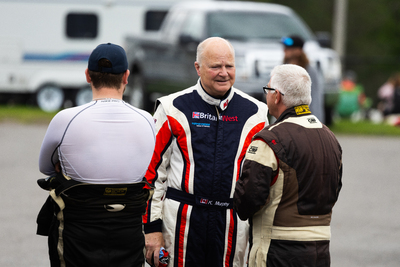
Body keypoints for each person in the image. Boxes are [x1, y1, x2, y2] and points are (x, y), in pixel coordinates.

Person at [143, 37, 269, 267]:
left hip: (232, 224)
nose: (224, 73)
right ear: (198, 68)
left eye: (229, 66)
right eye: (215, 67)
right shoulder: (172, 108)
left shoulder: (256, 114)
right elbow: (151, 174)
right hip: (181, 223)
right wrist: (151, 229)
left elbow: (262, 181)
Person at [37, 43, 156, 267]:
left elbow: (45, 167)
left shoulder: (65, 118)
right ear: (126, 77)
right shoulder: (148, 120)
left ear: (87, 76)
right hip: (128, 228)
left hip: (79, 229)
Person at [233, 64, 343, 266]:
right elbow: (335, 190)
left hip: (278, 251)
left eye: (267, 90)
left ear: (276, 96)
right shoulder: (330, 138)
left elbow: (247, 201)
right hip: (321, 250)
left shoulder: (269, 139)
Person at [282, 35, 325, 124]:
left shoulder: (309, 71)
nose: (284, 50)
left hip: (303, 118)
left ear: (298, 51)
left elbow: (315, 97)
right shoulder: (282, 69)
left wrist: (317, 122)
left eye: (289, 48)